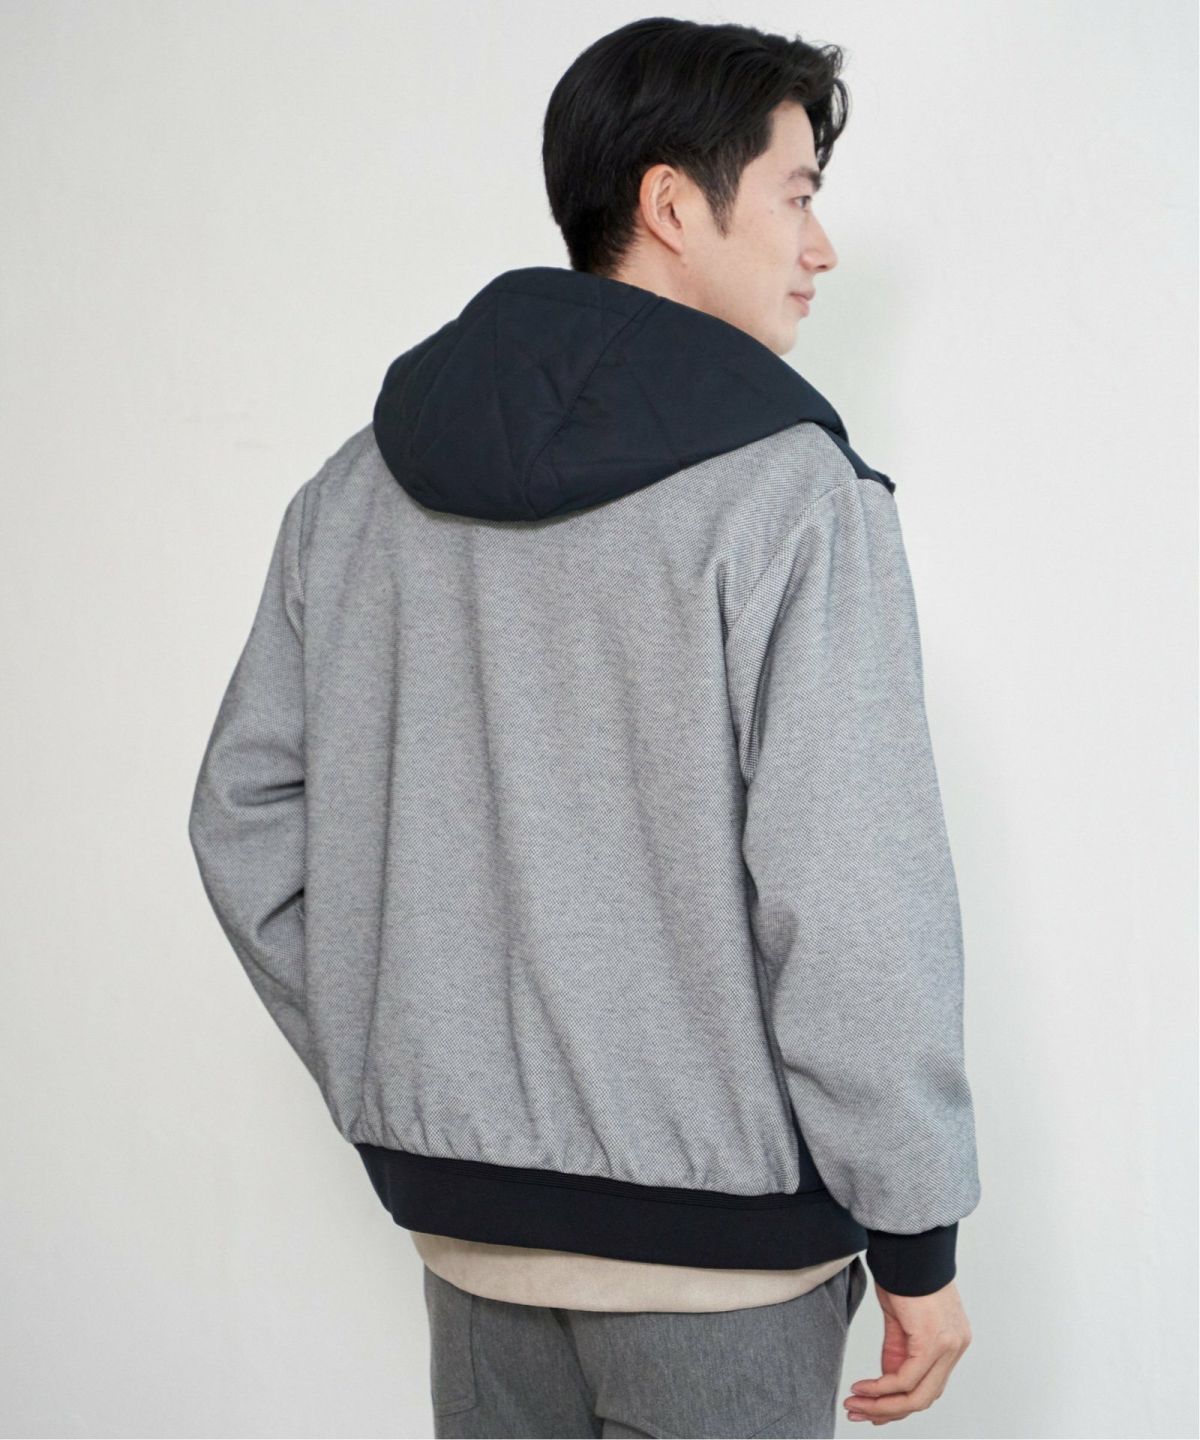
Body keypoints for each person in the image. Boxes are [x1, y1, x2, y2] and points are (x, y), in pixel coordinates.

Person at [187, 15, 981, 1438]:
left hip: (469, 1241)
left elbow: (243, 820)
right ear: (674, 204)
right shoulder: (792, 498)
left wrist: (406, 1061)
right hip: (724, 1263)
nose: (820, 248)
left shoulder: (356, 490)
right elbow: (853, 892)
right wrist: (916, 1235)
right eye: (796, 195)